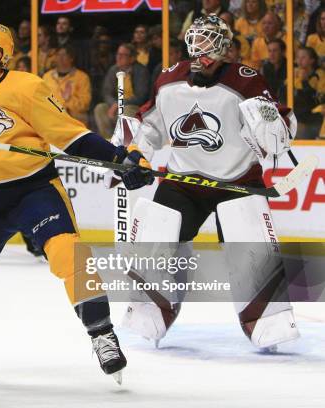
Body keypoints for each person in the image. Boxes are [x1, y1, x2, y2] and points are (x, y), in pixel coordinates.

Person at [0, 21, 154, 385]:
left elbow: (71, 136)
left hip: (32, 190)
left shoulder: (27, 87)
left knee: (69, 254)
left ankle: (102, 334)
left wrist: (122, 159)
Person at [117, 15, 299, 351]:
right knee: (156, 229)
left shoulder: (246, 81)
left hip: (237, 180)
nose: (199, 53)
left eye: (208, 45)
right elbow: (148, 124)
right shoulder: (169, 80)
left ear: (224, 50)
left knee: (250, 242)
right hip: (183, 179)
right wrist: (133, 155)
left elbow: (280, 133)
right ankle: (150, 310)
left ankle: (267, 322)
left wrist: (272, 126)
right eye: (195, 44)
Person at [94, 43, 149, 138]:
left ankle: (125, 143)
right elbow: (106, 92)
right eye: (118, 54)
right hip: (116, 105)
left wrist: (120, 104)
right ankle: (108, 140)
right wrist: (114, 104)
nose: (118, 57)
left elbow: (141, 97)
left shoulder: (141, 71)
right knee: (100, 108)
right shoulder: (113, 70)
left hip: (133, 106)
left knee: (126, 111)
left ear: (132, 58)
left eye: (123, 55)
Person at [42, 45, 91, 125]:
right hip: (50, 117)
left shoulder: (82, 77)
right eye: (58, 55)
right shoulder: (47, 76)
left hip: (73, 120)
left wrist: (68, 100)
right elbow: (41, 98)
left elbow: (84, 104)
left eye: (63, 55)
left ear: (71, 58)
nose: (60, 58)